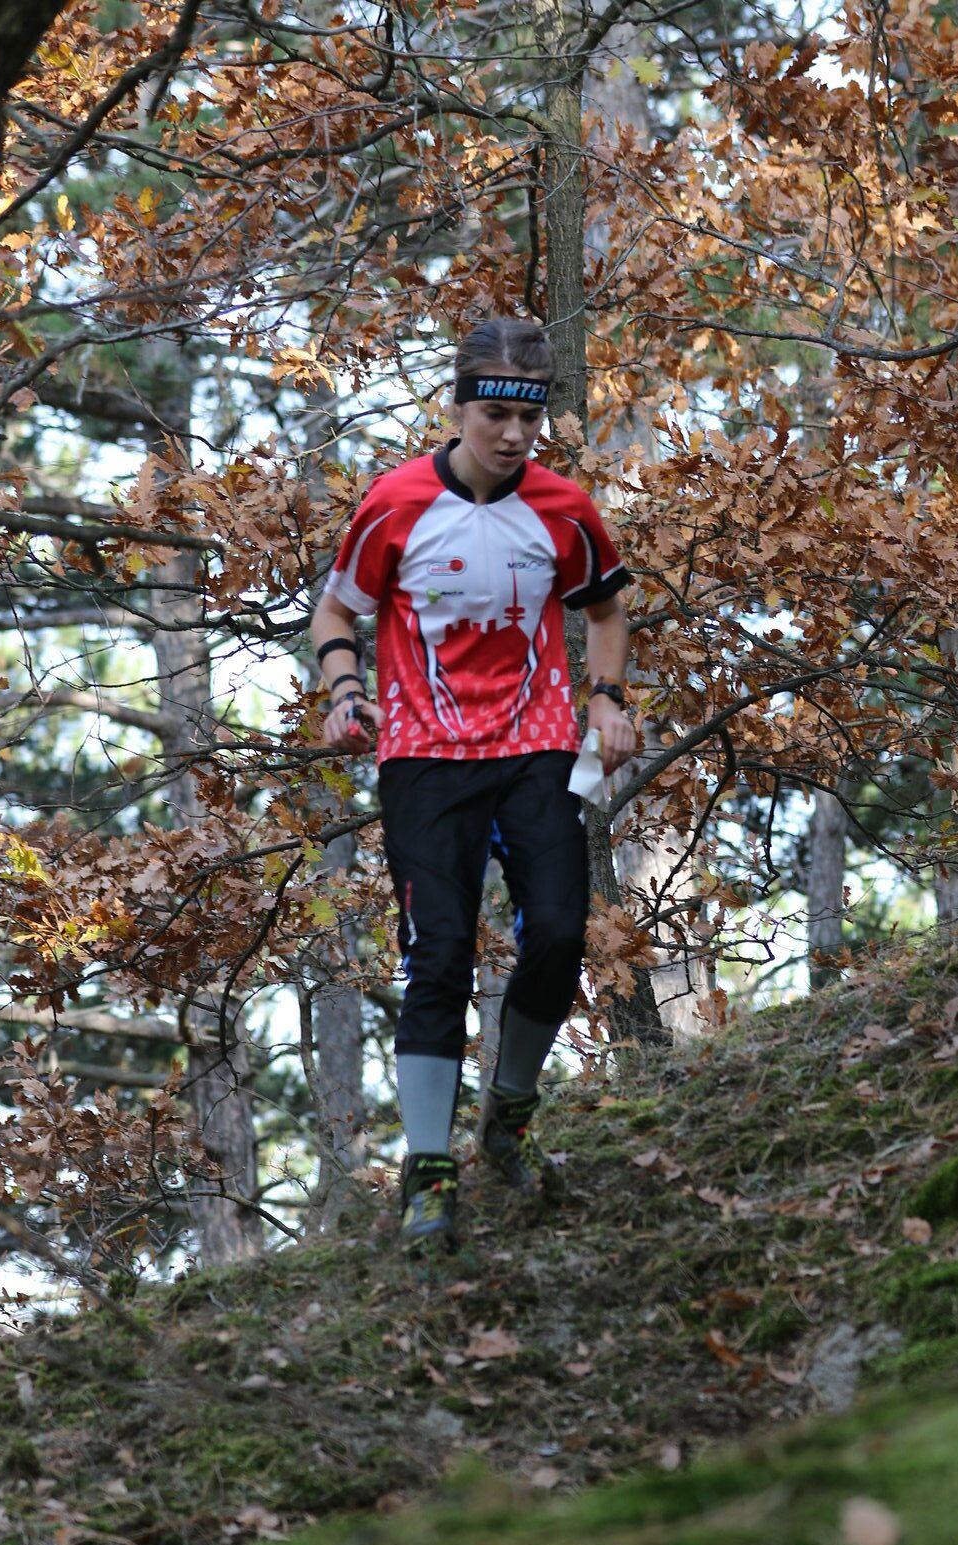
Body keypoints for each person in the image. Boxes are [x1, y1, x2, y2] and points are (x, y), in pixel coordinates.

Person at [310, 316, 637, 1251]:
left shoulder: (564, 509)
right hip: (422, 759)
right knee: (440, 955)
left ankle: (509, 1116)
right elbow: (338, 606)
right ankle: (427, 1167)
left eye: (527, 419)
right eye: (493, 414)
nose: (511, 435)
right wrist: (344, 693)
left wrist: (608, 699)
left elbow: (607, 612)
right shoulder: (396, 502)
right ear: (456, 409)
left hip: (535, 748)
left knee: (561, 934)